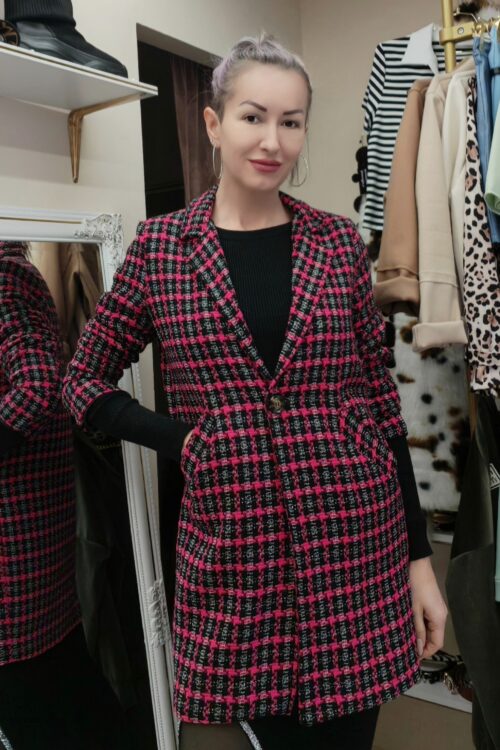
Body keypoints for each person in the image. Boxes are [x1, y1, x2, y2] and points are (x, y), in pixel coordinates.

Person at [62, 33, 448, 750]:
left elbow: (385, 413)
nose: (273, 140)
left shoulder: (337, 244)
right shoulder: (161, 249)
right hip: (235, 560)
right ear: (213, 123)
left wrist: (418, 563)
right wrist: (184, 439)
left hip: (355, 553)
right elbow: (82, 383)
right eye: (253, 116)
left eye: (291, 121)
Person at [0, 241, 132, 750]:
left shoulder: (6, 277)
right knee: (56, 678)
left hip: (16, 531)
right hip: (26, 526)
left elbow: (37, 386)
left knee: (33, 683)